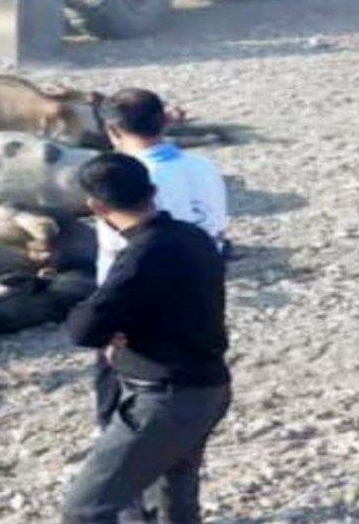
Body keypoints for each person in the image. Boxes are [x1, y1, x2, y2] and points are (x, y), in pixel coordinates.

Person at [62, 154, 231, 524]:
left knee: (86, 509)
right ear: (152, 192)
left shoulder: (141, 255)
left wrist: (115, 331)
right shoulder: (194, 236)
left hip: (164, 401)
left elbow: (83, 329)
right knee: (171, 500)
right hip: (207, 387)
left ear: (96, 207)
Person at [92, 89, 228, 428]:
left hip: (137, 299)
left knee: (126, 395)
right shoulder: (203, 166)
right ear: (164, 121)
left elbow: (120, 250)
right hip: (203, 286)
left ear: (113, 131)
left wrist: (111, 323)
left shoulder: (125, 179)